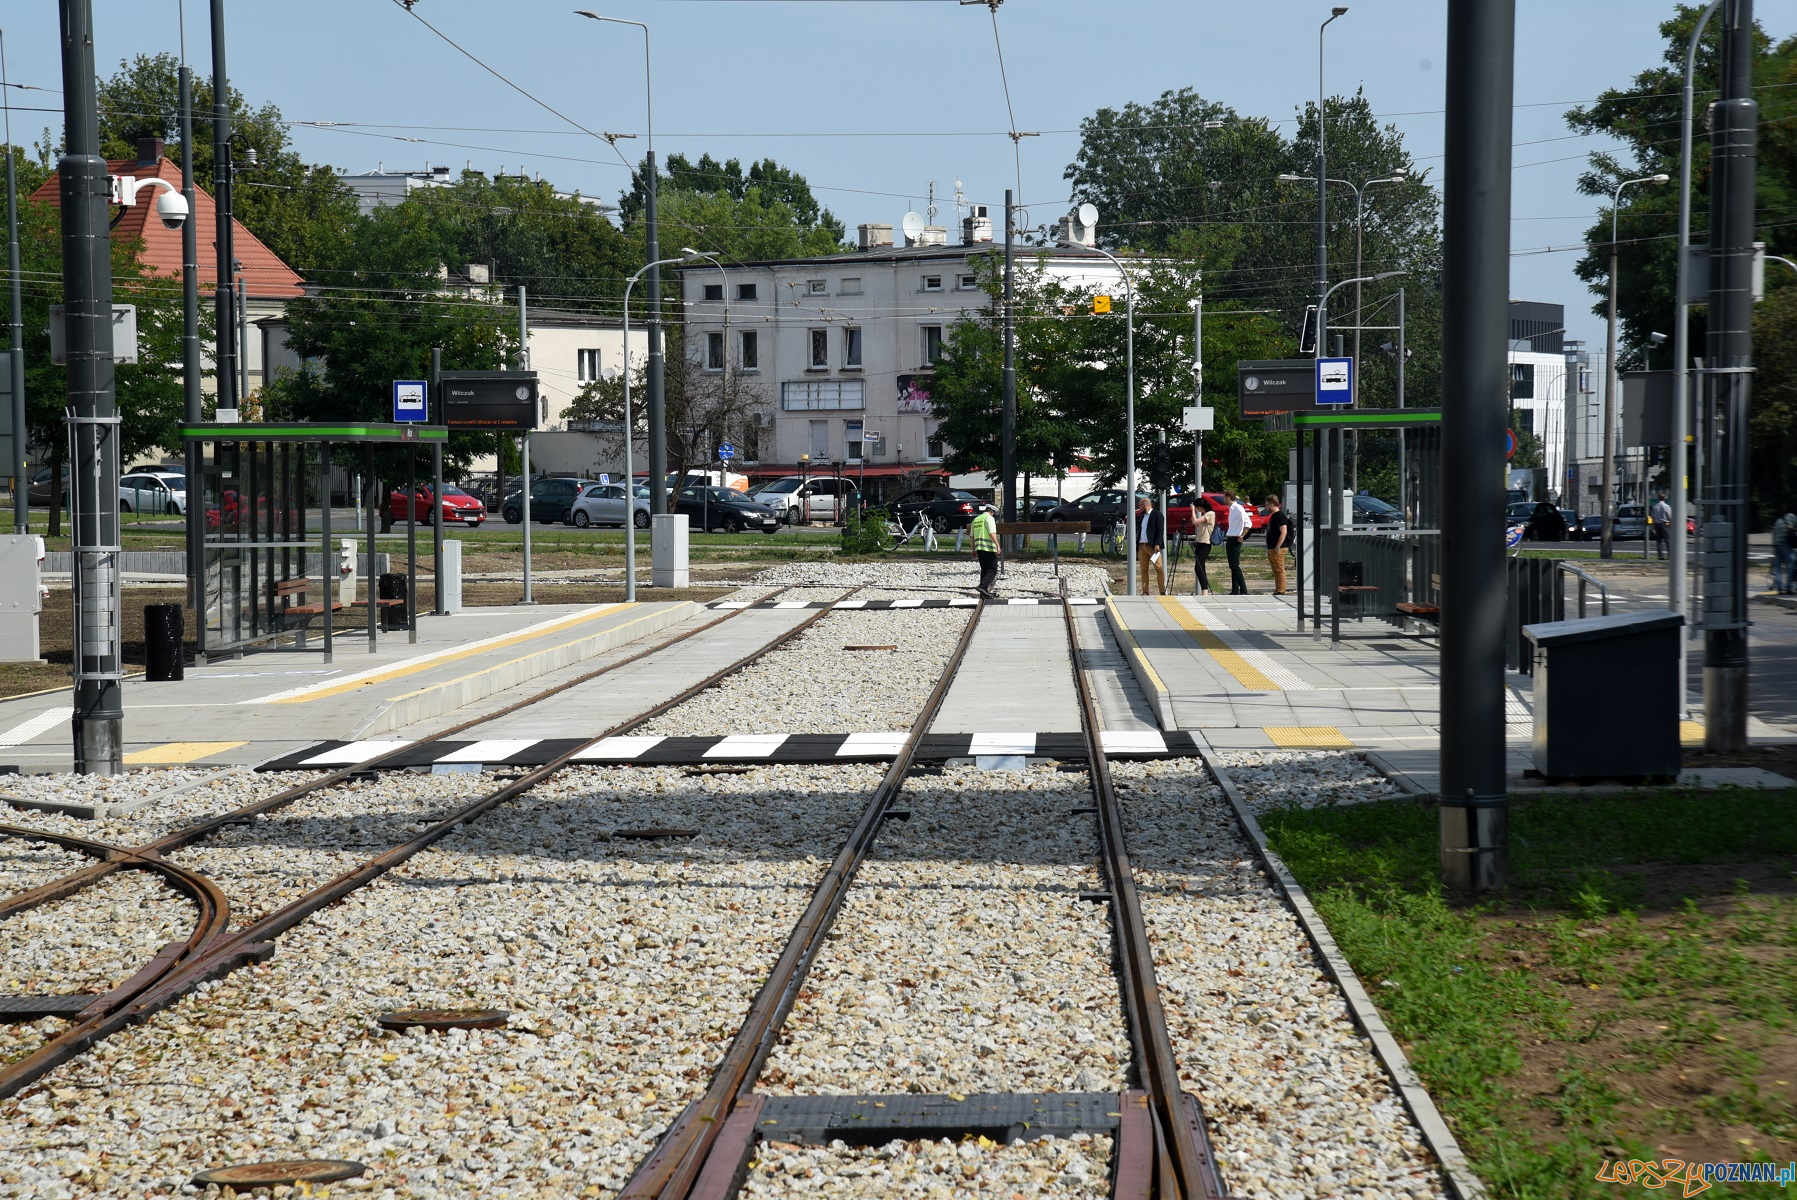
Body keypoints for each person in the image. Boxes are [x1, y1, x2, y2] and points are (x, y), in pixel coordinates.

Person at [1135, 497, 1166, 595]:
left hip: (1152, 546)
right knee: (1144, 569)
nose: (1139, 508)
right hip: (1142, 545)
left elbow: (1160, 530)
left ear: (1145, 505)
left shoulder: (1157, 515)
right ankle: (1145, 591)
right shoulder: (1143, 516)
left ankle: (1162, 590)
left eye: (1140, 506)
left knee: (1159, 568)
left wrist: (1157, 544)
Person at [970, 502, 1000, 598]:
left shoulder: (976, 519)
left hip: (979, 548)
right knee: (992, 569)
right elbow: (992, 533)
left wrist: (973, 549)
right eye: (994, 514)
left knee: (985, 570)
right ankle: (983, 587)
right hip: (988, 547)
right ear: (992, 512)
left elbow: (971, 536)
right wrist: (998, 546)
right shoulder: (989, 518)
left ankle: (983, 593)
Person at [1263, 495, 1291, 596]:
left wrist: (1278, 546)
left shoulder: (1279, 516)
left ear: (1271, 504)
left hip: (1278, 547)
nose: (1265, 507)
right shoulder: (1274, 516)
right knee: (1275, 570)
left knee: (1279, 569)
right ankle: (1278, 588)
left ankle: (1281, 590)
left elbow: (1283, 532)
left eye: (1266, 505)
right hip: (1272, 547)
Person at [1224, 490, 1249, 595]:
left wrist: (1242, 535)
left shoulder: (1238, 508)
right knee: (1232, 565)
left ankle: (1243, 589)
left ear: (1229, 498)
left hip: (1235, 539)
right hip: (1230, 537)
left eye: (1224, 497)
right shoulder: (1231, 509)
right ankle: (1235, 589)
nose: (1223, 500)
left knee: (1235, 565)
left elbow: (1248, 523)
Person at [1191, 504, 1217, 596]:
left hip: (1205, 544)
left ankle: (1205, 591)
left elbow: (1194, 521)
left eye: (1197, 508)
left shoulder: (1210, 514)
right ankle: (1204, 590)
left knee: (1198, 567)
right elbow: (1195, 522)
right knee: (1201, 567)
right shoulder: (1204, 515)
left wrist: (1192, 510)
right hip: (1199, 543)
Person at [1773, 510, 1797, 595]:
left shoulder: (1778, 520)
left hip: (1776, 545)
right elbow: (1791, 531)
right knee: (1791, 562)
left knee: (1778, 567)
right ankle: (1788, 588)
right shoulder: (1792, 517)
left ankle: (1779, 588)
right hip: (1784, 544)